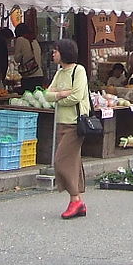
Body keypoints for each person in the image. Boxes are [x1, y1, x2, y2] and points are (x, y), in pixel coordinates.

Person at [44, 38, 90, 219]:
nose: (53, 54)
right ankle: (78, 202)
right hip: (61, 122)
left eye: (55, 51)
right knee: (74, 162)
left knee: (61, 160)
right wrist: (61, 94)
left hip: (75, 123)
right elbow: (47, 95)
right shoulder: (59, 73)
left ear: (64, 52)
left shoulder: (79, 71)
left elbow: (77, 96)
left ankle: (75, 199)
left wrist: (58, 98)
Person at [14, 25, 45, 92]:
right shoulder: (34, 40)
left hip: (29, 76)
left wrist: (22, 54)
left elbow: (17, 59)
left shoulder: (20, 40)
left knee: (28, 99)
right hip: (39, 75)